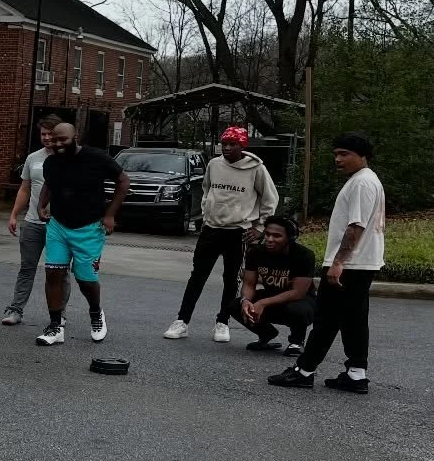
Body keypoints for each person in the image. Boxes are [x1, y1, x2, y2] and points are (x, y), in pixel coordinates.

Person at [270, 134, 385, 393]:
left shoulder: (362, 183)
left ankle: (304, 370)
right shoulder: (366, 180)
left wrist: (338, 262)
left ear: (362, 155)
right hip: (360, 263)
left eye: (344, 154)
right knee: (353, 320)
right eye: (336, 154)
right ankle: (356, 374)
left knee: (326, 319)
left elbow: (356, 226)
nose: (338, 159)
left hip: (350, 264)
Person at [164, 126, 279, 343]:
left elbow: (270, 199)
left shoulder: (256, 168)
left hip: (239, 232)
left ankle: (222, 322)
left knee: (230, 279)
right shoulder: (214, 164)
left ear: (242, 145)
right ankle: (182, 321)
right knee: (197, 276)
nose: (227, 148)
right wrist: (207, 210)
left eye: (232, 144)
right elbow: (207, 189)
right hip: (212, 229)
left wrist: (260, 227)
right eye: (224, 143)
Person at [35, 123, 129, 346]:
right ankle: (56, 325)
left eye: (63, 140)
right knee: (52, 272)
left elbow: (124, 181)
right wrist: (41, 205)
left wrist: (110, 215)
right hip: (58, 225)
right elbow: (49, 184)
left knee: (85, 279)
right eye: (54, 139)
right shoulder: (51, 162)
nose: (57, 144)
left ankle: (96, 313)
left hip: (89, 227)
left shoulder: (96, 158)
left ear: (75, 137)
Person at [2, 115, 69, 325]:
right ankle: (15, 310)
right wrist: (14, 214)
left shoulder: (70, 158)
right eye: (43, 134)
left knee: (60, 272)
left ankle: (59, 314)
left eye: (51, 134)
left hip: (59, 226)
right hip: (32, 223)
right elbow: (24, 188)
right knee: (26, 269)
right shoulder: (33, 158)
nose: (47, 138)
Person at [236, 215, 316, 355]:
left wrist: (263, 303)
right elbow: (249, 283)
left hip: (298, 301)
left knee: (297, 309)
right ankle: (266, 334)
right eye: (267, 234)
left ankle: (297, 342)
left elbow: (298, 292)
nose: (269, 239)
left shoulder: (303, 255)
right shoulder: (255, 252)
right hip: (272, 297)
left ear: (290, 238)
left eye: (277, 236)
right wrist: (246, 301)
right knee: (236, 305)